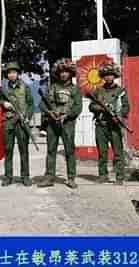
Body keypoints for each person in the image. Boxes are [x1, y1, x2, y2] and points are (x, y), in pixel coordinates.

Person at [39, 58, 83, 189]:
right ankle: (49, 177)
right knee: (51, 150)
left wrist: (67, 116)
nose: (64, 74)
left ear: (71, 73)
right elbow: (42, 103)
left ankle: (71, 178)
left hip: (68, 124)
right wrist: (49, 112)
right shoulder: (52, 87)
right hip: (52, 124)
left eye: (66, 72)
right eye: (61, 72)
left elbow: (78, 107)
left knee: (70, 151)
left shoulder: (75, 90)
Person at [0, 62, 34, 187]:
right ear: (7, 75)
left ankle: (25, 176)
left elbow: (31, 104)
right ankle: (8, 177)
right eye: (9, 73)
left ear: (18, 73)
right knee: (8, 150)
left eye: (14, 72)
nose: (12, 75)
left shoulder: (25, 87)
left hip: (21, 122)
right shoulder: (4, 89)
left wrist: (28, 117)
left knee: (24, 151)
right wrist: (3, 103)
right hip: (8, 122)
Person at [89, 62, 130, 185]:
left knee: (118, 152)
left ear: (114, 76)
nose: (108, 77)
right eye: (105, 75)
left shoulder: (121, 91)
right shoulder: (98, 91)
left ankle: (119, 177)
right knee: (102, 152)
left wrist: (118, 115)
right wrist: (100, 108)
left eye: (110, 75)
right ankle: (103, 175)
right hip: (101, 125)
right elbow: (91, 106)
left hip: (115, 126)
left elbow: (126, 107)